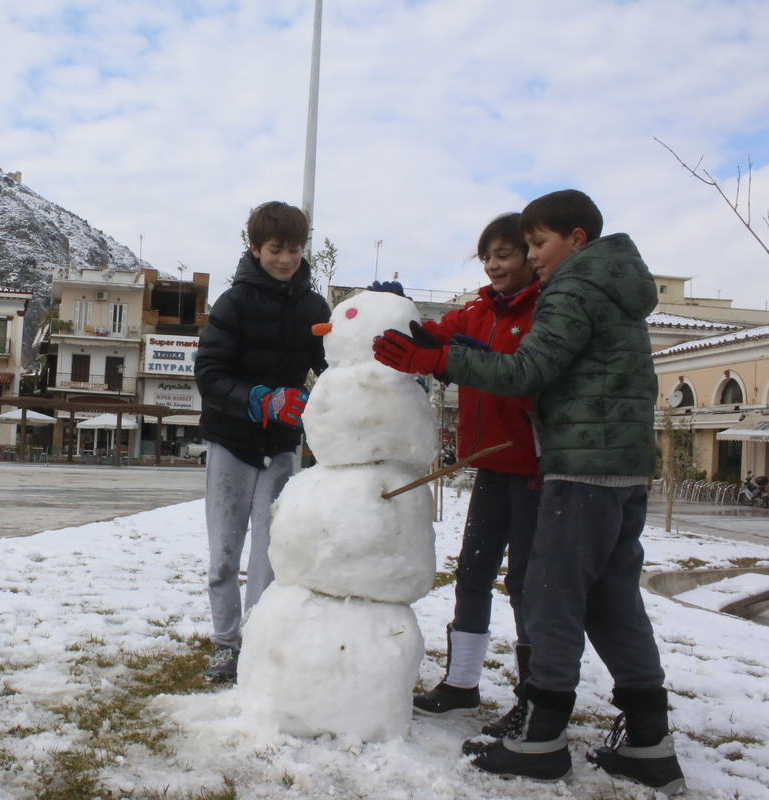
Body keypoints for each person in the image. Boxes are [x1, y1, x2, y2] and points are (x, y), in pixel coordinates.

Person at [372, 190, 685, 794]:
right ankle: (650, 738)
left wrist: (436, 363)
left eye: (538, 243)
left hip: (581, 470)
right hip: (622, 468)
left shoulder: (574, 288)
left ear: (577, 239)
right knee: (612, 598)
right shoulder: (621, 288)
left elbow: (526, 372)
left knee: (549, 594)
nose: (533, 255)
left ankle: (540, 736)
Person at [403, 213, 542, 733]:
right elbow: (433, 334)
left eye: (505, 254)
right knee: (473, 573)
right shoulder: (479, 309)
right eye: (487, 256)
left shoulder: (544, 309)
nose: (494, 265)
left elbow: (534, 372)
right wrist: (397, 315)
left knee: (528, 583)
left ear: (530, 254)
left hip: (532, 466)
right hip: (488, 464)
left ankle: (534, 694)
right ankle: (461, 682)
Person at [194, 200, 330, 683]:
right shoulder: (231, 304)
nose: (286, 259)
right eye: (276, 249)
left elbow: (333, 368)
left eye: (295, 249)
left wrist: (374, 379)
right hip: (231, 440)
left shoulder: (315, 307)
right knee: (225, 553)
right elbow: (209, 374)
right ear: (255, 248)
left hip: (283, 445)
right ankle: (225, 644)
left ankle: (259, 639)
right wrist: (258, 399)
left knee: (272, 552)